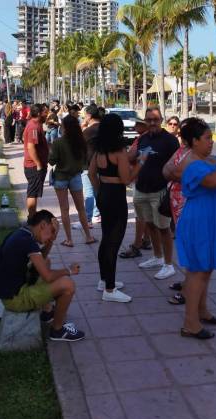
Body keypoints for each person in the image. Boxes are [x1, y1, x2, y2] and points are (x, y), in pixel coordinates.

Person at [170, 118, 216, 338]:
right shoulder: (191, 163)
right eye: (207, 138)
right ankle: (190, 323)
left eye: (212, 137)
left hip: (213, 220)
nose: (211, 142)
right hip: (200, 221)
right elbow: (213, 182)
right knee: (197, 271)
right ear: (193, 141)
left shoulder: (215, 159)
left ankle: (202, 311)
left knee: (206, 268)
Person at [0, 210, 86, 341]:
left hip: (9, 294)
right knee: (68, 285)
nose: (51, 235)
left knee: (46, 262)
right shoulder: (28, 241)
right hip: (16, 300)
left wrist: (51, 239)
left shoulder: (22, 234)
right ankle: (57, 330)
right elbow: (48, 276)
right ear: (43, 225)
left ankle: (48, 312)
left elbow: (42, 259)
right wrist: (69, 271)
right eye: (52, 230)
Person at [88, 114, 145, 302]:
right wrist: (141, 163)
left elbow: (91, 173)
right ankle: (110, 290)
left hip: (104, 192)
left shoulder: (99, 151)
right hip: (116, 195)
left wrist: (99, 190)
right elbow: (127, 179)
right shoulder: (119, 151)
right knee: (113, 242)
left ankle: (104, 281)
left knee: (106, 239)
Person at [134, 108, 181, 280]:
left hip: (160, 191)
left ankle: (168, 265)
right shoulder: (143, 138)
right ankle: (157, 256)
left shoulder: (170, 141)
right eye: (149, 120)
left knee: (163, 228)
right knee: (150, 225)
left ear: (161, 120)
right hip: (141, 189)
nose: (152, 123)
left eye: (155, 119)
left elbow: (176, 164)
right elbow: (137, 159)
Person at [48, 114, 96, 247]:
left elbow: (52, 161)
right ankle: (88, 236)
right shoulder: (81, 142)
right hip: (76, 176)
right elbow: (84, 159)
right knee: (81, 209)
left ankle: (69, 239)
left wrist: (50, 151)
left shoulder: (58, 142)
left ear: (64, 127)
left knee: (64, 209)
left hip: (61, 178)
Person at [163, 116, 189, 301]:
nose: (179, 133)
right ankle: (188, 280)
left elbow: (176, 172)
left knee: (189, 245)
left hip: (187, 205)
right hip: (175, 203)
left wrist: (176, 173)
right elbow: (167, 170)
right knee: (183, 243)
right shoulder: (181, 150)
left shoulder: (195, 155)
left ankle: (190, 287)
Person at [119, 119, 153, 259]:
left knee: (141, 215)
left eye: (138, 124)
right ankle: (146, 240)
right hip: (150, 181)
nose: (135, 126)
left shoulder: (142, 139)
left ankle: (137, 245)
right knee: (147, 214)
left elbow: (130, 156)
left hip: (142, 180)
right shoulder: (149, 139)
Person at [23, 104, 50, 218]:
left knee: (33, 192)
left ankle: (32, 216)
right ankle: (32, 218)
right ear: (39, 113)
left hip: (34, 165)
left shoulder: (36, 125)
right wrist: (38, 164)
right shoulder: (34, 127)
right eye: (45, 112)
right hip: (34, 166)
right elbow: (31, 147)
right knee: (32, 193)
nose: (47, 115)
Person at [82, 105, 102, 225]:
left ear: (89, 116)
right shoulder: (105, 129)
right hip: (103, 165)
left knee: (89, 192)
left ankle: (89, 217)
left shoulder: (88, 131)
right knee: (98, 190)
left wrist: (83, 126)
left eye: (85, 115)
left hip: (88, 165)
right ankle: (97, 213)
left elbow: (78, 146)